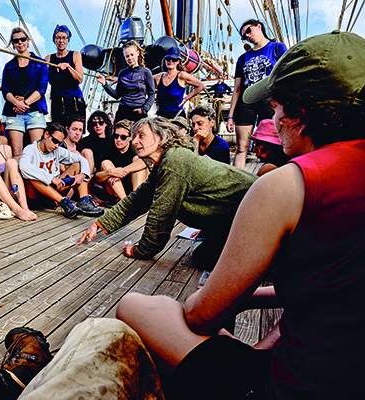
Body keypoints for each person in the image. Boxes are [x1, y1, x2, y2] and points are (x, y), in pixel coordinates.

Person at [116, 31, 365, 400]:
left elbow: (202, 317)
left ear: (300, 113)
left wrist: (210, 299)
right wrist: (248, 296)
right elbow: (329, 290)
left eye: (276, 106)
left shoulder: (286, 184)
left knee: (138, 306)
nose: (273, 116)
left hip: (295, 389)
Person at [78, 116, 256, 270]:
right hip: (232, 213)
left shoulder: (174, 161)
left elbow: (162, 213)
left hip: (252, 209)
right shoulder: (165, 162)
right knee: (202, 253)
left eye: (141, 136)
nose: (134, 142)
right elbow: (138, 199)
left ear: (161, 137)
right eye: (133, 137)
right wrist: (100, 224)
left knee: (204, 258)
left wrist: (141, 250)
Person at [226, 19, 287, 169]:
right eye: (243, 36)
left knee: (273, 145)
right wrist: (230, 116)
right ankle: (236, 185)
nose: (247, 36)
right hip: (246, 102)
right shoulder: (242, 58)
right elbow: (237, 89)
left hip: (269, 100)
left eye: (248, 31)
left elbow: (285, 75)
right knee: (241, 148)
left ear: (258, 27)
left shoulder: (278, 48)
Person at [19, 122, 104, 219]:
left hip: (54, 191)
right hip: (37, 195)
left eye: (59, 143)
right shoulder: (31, 149)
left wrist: (83, 175)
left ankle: (84, 201)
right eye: (55, 141)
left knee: (78, 165)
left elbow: (82, 160)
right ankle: (64, 202)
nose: (56, 145)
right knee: (33, 175)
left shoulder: (57, 150)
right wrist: (51, 178)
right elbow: (23, 167)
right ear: (46, 134)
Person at [1, 28, 49, 159]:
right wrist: (17, 103)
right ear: (13, 44)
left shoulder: (41, 63)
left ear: (28, 41)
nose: (20, 42)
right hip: (14, 110)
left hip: (34, 109)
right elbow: (5, 89)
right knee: (17, 152)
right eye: (16, 41)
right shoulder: (9, 66)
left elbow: (42, 88)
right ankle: (17, 179)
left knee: (38, 151)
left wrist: (25, 104)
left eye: (22, 39)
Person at [98, 40, 155, 123]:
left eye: (132, 55)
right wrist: (104, 84)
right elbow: (117, 95)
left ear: (138, 53)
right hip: (123, 111)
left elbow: (152, 93)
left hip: (139, 111)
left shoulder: (145, 72)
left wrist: (144, 109)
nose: (130, 58)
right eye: (127, 56)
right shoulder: (122, 73)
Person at [94, 119, 148, 202]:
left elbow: (145, 162)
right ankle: (126, 203)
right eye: (116, 136)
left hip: (133, 190)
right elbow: (97, 177)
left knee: (138, 160)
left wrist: (121, 172)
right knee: (106, 163)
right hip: (115, 194)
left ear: (130, 138)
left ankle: (135, 200)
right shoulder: (108, 149)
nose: (118, 140)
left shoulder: (135, 150)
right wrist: (111, 172)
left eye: (123, 137)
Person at [45, 25, 86, 125]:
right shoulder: (49, 59)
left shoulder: (75, 55)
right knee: (58, 133)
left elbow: (80, 79)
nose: (61, 41)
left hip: (74, 101)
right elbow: (42, 80)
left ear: (68, 40)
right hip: (57, 102)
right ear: (54, 40)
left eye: (64, 38)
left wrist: (68, 67)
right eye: (58, 38)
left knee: (75, 133)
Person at [154, 46, 206, 119]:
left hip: (177, 117)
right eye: (168, 59)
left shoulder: (182, 76)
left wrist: (186, 98)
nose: (171, 61)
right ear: (165, 60)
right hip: (162, 118)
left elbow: (202, 86)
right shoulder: (158, 77)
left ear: (178, 61)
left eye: (174, 59)